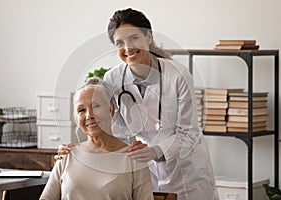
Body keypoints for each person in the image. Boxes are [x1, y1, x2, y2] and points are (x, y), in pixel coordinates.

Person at [57, 8, 219, 200]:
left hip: (187, 169)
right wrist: (76, 150)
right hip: (146, 166)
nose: (127, 48)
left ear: (148, 37)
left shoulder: (178, 75)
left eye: (134, 38)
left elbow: (189, 133)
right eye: (119, 43)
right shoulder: (113, 78)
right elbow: (105, 124)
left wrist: (154, 151)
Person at [41, 77, 154, 200]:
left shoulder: (134, 159)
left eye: (96, 106)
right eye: (82, 110)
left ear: (111, 109)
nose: (89, 115)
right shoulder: (67, 156)